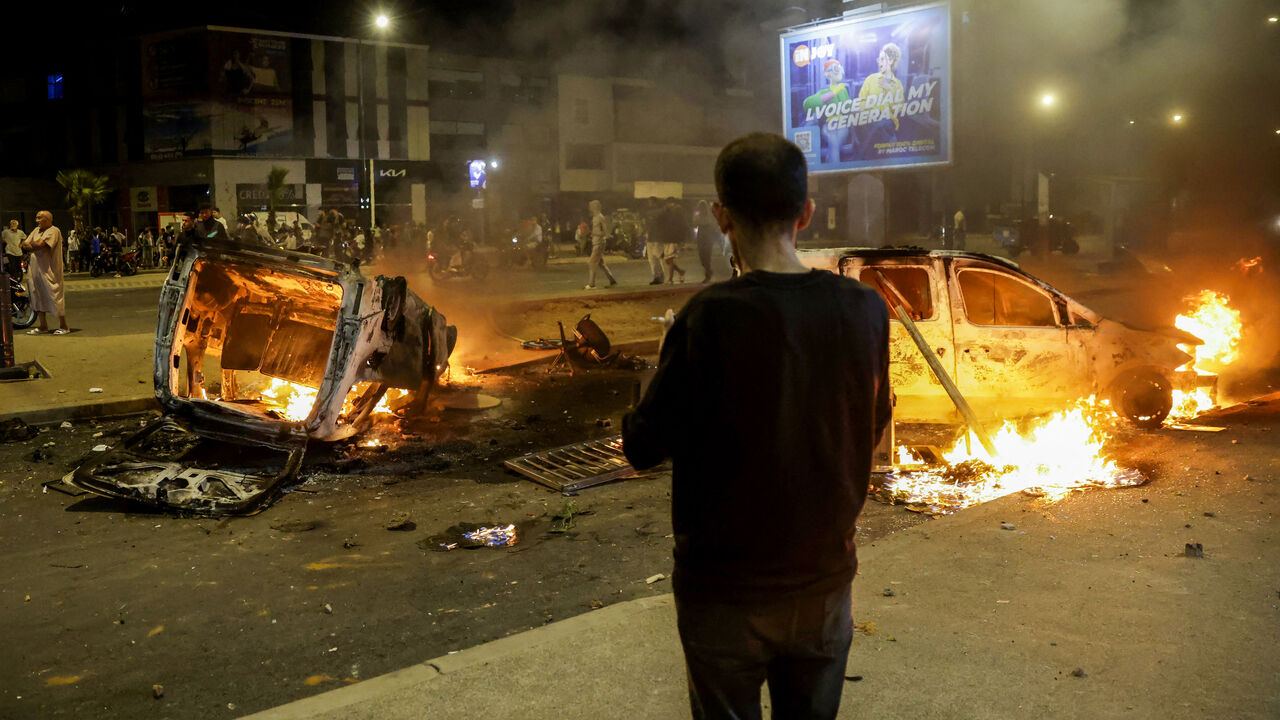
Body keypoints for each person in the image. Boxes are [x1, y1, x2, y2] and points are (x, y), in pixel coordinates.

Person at [622, 132, 891, 720]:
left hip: (725, 591)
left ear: (721, 217)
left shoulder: (708, 317)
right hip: (823, 581)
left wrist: (659, 368)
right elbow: (873, 424)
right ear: (807, 213)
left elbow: (642, 445)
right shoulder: (865, 308)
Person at [20, 211, 70, 335]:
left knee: (54, 295)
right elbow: (24, 244)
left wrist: (31, 245)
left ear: (47, 219)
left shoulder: (54, 231)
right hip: (35, 269)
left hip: (49, 270)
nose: (36, 220)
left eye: (39, 218)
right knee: (37, 295)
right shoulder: (36, 230)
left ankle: (64, 326)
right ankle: (43, 326)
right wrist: (32, 245)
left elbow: (41, 245)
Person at [857, 43, 905, 157]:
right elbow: (861, 101)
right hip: (868, 119)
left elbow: (899, 108)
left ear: (891, 61)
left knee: (881, 124)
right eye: (879, 59)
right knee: (876, 126)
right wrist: (864, 110)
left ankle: (862, 157)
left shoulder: (897, 84)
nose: (879, 62)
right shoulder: (870, 79)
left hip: (887, 122)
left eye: (882, 59)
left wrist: (889, 89)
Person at [584, 199, 616, 290]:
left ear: (595, 207)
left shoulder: (600, 217)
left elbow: (605, 232)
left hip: (599, 243)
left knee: (592, 263)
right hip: (596, 242)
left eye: (591, 206)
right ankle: (612, 280)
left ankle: (591, 284)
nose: (589, 208)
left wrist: (594, 233)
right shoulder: (595, 217)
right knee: (601, 263)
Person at [659, 197, 688, 284]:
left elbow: (681, 226)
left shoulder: (677, 211)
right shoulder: (669, 212)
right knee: (667, 260)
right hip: (668, 238)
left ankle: (670, 279)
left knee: (670, 259)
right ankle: (681, 272)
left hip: (673, 238)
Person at [692, 200, 722, 283]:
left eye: (703, 208)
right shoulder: (698, 215)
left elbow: (715, 225)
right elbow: (694, 225)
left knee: (707, 258)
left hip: (708, 238)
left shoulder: (710, 216)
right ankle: (709, 271)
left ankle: (707, 275)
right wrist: (696, 218)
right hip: (701, 237)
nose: (702, 210)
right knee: (702, 258)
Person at [642, 197, 666, 285]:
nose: (650, 204)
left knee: (657, 258)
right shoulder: (648, 213)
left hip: (657, 238)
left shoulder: (660, 212)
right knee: (652, 259)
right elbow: (647, 225)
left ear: (655, 203)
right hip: (651, 238)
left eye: (651, 202)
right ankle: (657, 277)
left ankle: (660, 277)